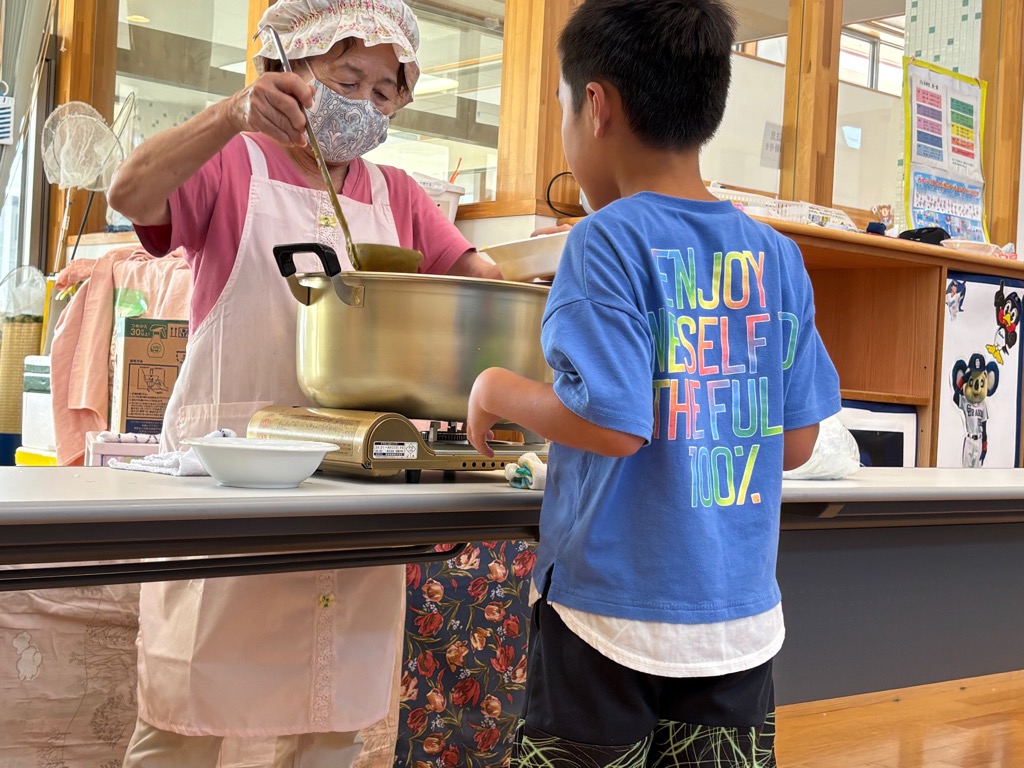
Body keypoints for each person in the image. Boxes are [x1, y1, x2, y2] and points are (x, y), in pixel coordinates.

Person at [107, 1, 499, 766]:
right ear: (292, 68)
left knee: (331, 723)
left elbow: (477, 287)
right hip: (232, 487)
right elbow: (129, 193)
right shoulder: (235, 161)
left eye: (385, 91)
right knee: (187, 720)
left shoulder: (399, 198)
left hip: (355, 490)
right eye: (346, 77)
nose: (364, 103)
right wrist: (229, 115)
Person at [465, 0, 841, 765]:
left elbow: (612, 423)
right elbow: (797, 442)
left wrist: (496, 390)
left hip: (609, 615)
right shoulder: (775, 255)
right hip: (737, 621)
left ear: (595, 106)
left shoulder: (602, 241)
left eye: (566, 110)